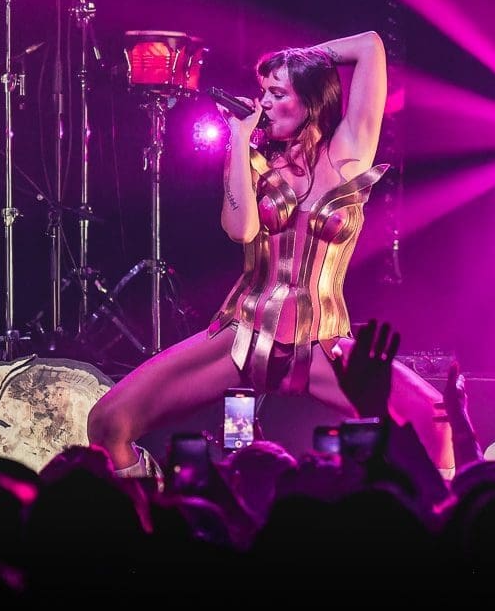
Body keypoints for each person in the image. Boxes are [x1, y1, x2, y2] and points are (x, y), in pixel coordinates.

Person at [87, 32, 453, 476]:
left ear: (310, 101)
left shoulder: (349, 153)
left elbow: (370, 46)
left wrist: (302, 59)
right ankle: (151, 511)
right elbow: (241, 229)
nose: (263, 103)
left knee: (439, 424)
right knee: (107, 424)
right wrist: (238, 140)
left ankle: (427, 515)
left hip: (322, 342)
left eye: (277, 94)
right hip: (244, 335)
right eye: (263, 92)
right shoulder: (254, 160)